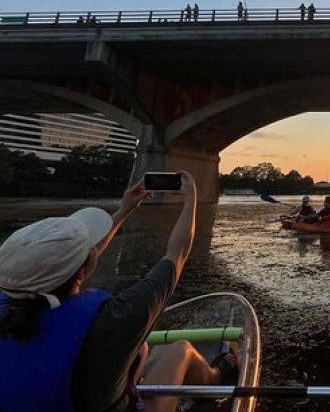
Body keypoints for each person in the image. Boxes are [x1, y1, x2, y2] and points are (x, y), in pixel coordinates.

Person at [0, 172, 236, 412]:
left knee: (142, 349)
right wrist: (190, 200)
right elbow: (177, 254)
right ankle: (217, 377)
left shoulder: (9, 305)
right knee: (180, 350)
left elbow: (77, 263)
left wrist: (125, 208)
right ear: (87, 267)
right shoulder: (114, 320)